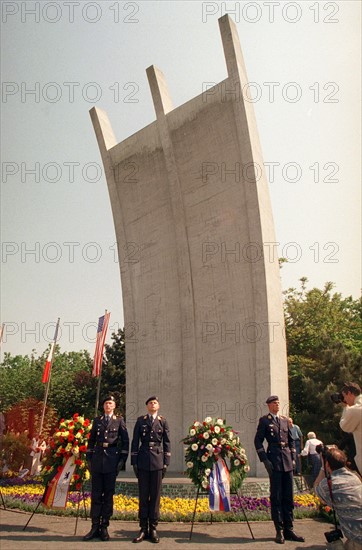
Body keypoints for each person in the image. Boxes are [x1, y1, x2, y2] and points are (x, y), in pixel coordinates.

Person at [254, 395, 305, 544]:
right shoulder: (265, 421)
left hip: (287, 461)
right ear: (269, 405)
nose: (277, 405)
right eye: (274, 403)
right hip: (274, 460)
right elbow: (258, 440)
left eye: (278, 403)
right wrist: (265, 460)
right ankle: (279, 530)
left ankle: (289, 528)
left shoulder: (284, 420)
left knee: (288, 496)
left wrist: (293, 457)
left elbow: (290, 440)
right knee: (276, 496)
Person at [84, 395, 129, 542]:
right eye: (105, 403)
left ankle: (104, 527)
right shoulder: (97, 421)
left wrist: (122, 460)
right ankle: (94, 526)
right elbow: (91, 441)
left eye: (110, 403)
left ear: (114, 406)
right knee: (96, 494)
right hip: (97, 460)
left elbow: (125, 442)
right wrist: (89, 458)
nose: (107, 405)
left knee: (108, 495)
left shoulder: (119, 421)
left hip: (111, 460)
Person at [131, 396, 171, 544]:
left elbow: (167, 442)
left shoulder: (162, 421)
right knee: (143, 496)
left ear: (158, 405)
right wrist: (133, 461)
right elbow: (135, 442)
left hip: (157, 461)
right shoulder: (140, 420)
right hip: (142, 460)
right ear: (147, 406)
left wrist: (166, 462)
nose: (153, 404)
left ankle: (153, 528)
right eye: (150, 403)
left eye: (155, 402)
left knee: (155, 497)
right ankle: (143, 528)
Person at [314, 447, 362, 550]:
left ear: (327, 464)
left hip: (358, 539)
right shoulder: (356, 477)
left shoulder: (328, 485)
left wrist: (323, 467)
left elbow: (316, 488)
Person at [339, 382, 362, 475]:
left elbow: (344, 426)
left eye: (344, 396)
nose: (344, 399)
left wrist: (345, 407)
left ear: (349, 393)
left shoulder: (355, 409)